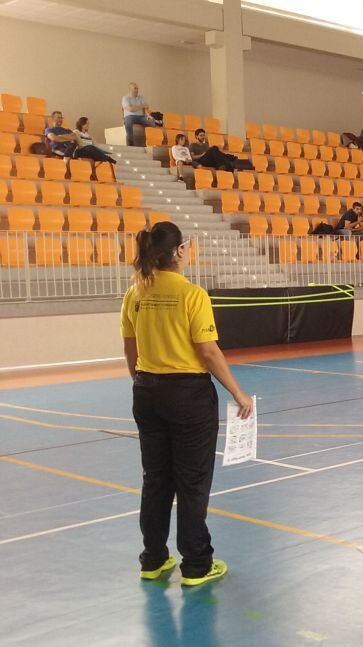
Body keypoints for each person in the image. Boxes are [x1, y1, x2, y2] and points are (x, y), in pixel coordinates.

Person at [121, 221, 252, 587]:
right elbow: (208, 352)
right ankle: (196, 564)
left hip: (147, 391)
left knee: (156, 479)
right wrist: (238, 393)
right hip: (188, 396)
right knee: (192, 482)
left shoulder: (136, 293)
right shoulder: (192, 295)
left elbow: (130, 348)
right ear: (179, 251)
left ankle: (153, 559)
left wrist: (144, 382)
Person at [48, 113, 117, 163]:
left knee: (95, 149)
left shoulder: (68, 130)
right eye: (58, 117)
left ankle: (107, 157)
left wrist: (63, 138)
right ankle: (107, 158)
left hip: (76, 149)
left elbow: (73, 138)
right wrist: (62, 138)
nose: (60, 119)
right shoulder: (50, 129)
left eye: (61, 117)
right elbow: (54, 138)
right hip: (68, 150)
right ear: (53, 119)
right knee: (90, 148)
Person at [122, 82, 161, 146]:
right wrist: (142, 105)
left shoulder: (141, 97)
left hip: (141, 116)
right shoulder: (125, 98)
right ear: (130, 89)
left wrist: (148, 115)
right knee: (128, 121)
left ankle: (150, 142)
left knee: (152, 121)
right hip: (130, 116)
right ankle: (131, 142)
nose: (137, 90)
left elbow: (145, 108)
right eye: (135, 88)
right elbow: (130, 109)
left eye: (137, 88)